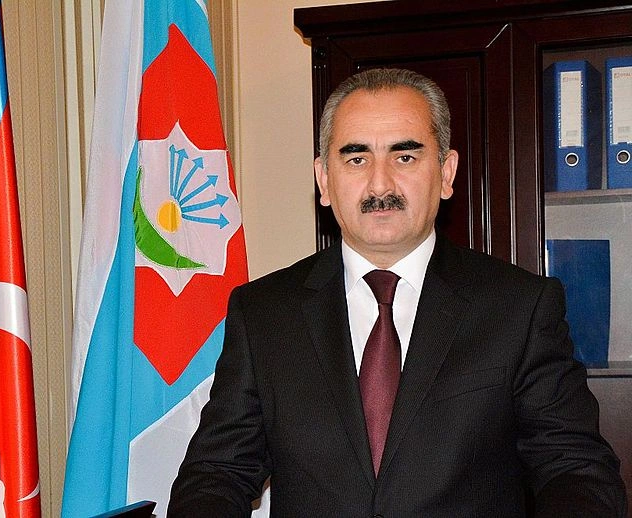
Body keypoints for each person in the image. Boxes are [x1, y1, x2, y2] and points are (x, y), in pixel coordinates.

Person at [168, 68, 627, 517]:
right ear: (324, 179)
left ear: (446, 173)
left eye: (404, 157)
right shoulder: (264, 313)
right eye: (356, 159)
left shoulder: (520, 308)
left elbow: (575, 471)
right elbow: (217, 474)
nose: (380, 184)